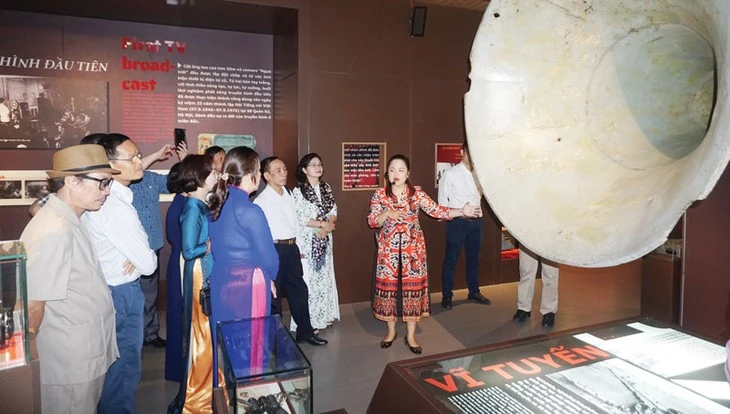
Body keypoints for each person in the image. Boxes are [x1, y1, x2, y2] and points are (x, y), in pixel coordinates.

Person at [20, 144, 120, 413]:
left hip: (82, 354)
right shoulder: (54, 229)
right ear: (72, 181)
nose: (108, 191)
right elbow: (32, 305)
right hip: (69, 364)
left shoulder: (71, 219)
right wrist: (29, 366)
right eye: (102, 183)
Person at [367, 154, 480, 354]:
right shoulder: (380, 194)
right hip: (389, 252)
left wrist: (462, 211)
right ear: (387, 172)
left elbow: (437, 211)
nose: (396, 174)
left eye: (401, 170)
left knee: (412, 290)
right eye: (392, 169)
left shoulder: (416, 193)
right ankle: (391, 331)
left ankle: (410, 335)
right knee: (390, 290)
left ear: (408, 173)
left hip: (413, 251)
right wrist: (387, 214)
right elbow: (372, 221)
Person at [83, 133, 158, 413]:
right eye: (133, 157)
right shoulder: (114, 206)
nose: (140, 161)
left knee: (116, 369)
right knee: (123, 370)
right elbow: (149, 263)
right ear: (110, 163)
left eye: (139, 155)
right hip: (121, 293)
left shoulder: (113, 198)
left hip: (112, 290)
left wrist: (136, 256)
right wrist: (139, 257)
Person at [207, 146, 280, 388]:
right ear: (251, 174)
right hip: (248, 286)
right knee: (250, 350)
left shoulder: (217, 203)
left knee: (226, 346)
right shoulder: (250, 209)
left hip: (221, 280)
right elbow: (269, 256)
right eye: (259, 170)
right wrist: (270, 275)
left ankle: (227, 395)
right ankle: (247, 394)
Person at [255, 156, 328, 346]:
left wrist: (299, 248)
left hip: (292, 248)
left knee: (299, 291)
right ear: (266, 175)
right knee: (274, 297)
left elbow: (295, 223)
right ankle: (275, 339)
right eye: (278, 170)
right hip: (274, 249)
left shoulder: (288, 193)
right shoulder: (261, 201)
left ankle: (305, 332)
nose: (283, 173)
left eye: (285, 169)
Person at [168, 155, 219, 413]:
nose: (217, 176)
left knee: (204, 332)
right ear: (199, 176)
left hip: (201, 270)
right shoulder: (192, 208)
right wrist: (209, 246)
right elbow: (189, 251)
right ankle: (197, 395)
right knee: (200, 333)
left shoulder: (197, 204)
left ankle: (205, 385)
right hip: (197, 272)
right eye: (212, 172)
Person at [438, 140, 490, 309]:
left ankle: (474, 291)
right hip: (457, 223)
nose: (472, 156)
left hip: (477, 222)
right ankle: (447, 295)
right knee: (451, 259)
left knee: (474, 259)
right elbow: (441, 203)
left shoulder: (481, 174)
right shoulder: (450, 174)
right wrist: (453, 215)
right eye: (469, 152)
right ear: (462, 152)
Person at [291, 153, 340, 332]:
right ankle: (308, 322)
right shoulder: (298, 192)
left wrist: (328, 226)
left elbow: (333, 210)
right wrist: (322, 225)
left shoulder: (326, 188)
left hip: (325, 237)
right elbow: (301, 216)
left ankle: (324, 316)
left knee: (324, 278)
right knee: (310, 280)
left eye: (319, 164)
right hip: (308, 240)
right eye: (313, 165)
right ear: (304, 170)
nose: (318, 167)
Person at [164, 163, 186, 382]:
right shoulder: (182, 204)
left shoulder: (183, 202)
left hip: (181, 261)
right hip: (183, 263)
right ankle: (179, 369)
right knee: (180, 316)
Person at [513, 246, 560, 328]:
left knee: (550, 274)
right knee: (526, 271)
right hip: (528, 236)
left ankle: (549, 311)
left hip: (551, 238)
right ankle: (524, 308)